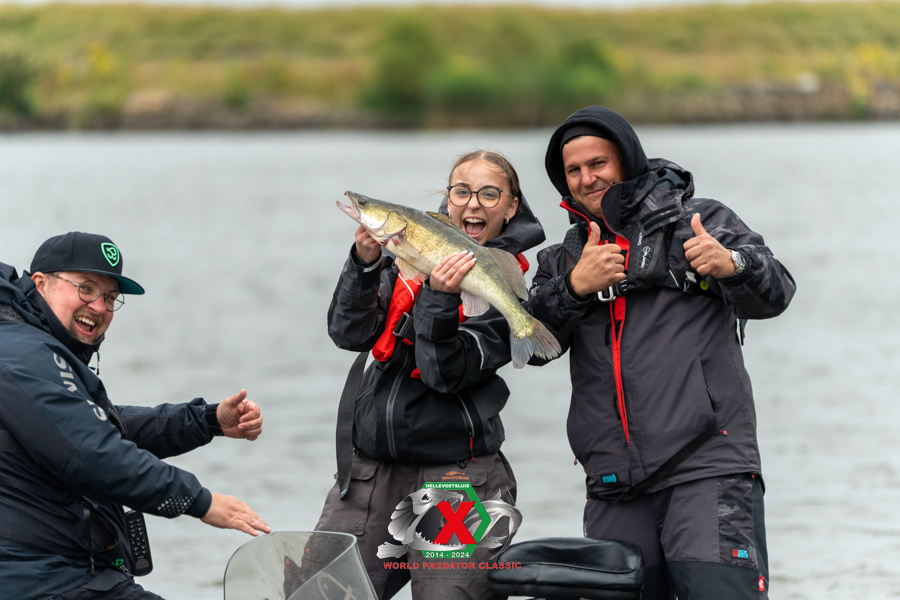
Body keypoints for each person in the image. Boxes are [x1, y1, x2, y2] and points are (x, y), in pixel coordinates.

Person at [527, 106, 796, 599]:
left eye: (598, 163)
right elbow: (531, 348)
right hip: (613, 484)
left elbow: (777, 293)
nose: (587, 178)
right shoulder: (562, 259)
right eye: (574, 170)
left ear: (626, 161)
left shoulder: (701, 220)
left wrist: (733, 265)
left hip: (707, 467)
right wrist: (573, 288)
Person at [317, 150, 545, 599]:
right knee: (322, 592)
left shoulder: (503, 281)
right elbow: (348, 333)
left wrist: (439, 298)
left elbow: (445, 374)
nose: (473, 204)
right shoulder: (405, 255)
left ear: (511, 206)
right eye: (461, 192)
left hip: (456, 479)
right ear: (448, 197)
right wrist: (364, 263)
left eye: (489, 194)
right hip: (371, 470)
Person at [0, 232, 271, 600]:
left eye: (110, 297)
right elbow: (92, 451)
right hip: (41, 580)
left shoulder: (30, 343)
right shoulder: (22, 352)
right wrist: (199, 501)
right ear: (40, 282)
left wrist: (206, 421)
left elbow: (102, 424)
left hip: (64, 573)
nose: (99, 307)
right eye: (86, 288)